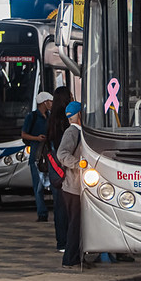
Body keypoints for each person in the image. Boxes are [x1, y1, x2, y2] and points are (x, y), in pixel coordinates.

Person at [56, 101, 85, 269]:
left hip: (75, 186)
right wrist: (79, 164)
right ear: (80, 114)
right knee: (75, 223)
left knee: (77, 223)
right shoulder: (72, 132)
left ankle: (75, 256)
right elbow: (62, 153)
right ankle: (70, 258)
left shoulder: (77, 132)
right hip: (72, 186)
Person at [45, 86, 72, 253]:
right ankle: (67, 240)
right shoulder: (66, 120)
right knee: (69, 205)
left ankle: (60, 241)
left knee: (59, 206)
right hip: (65, 166)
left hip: (54, 167)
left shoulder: (51, 119)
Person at [22, 91, 53, 222]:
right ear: (44, 103)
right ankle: (42, 213)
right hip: (36, 154)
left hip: (49, 152)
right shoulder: (32, 117)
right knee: (38, 186)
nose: (51, 104)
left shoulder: (50, 116)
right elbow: (23, 134)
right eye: (50, 101)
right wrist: (36, 138)